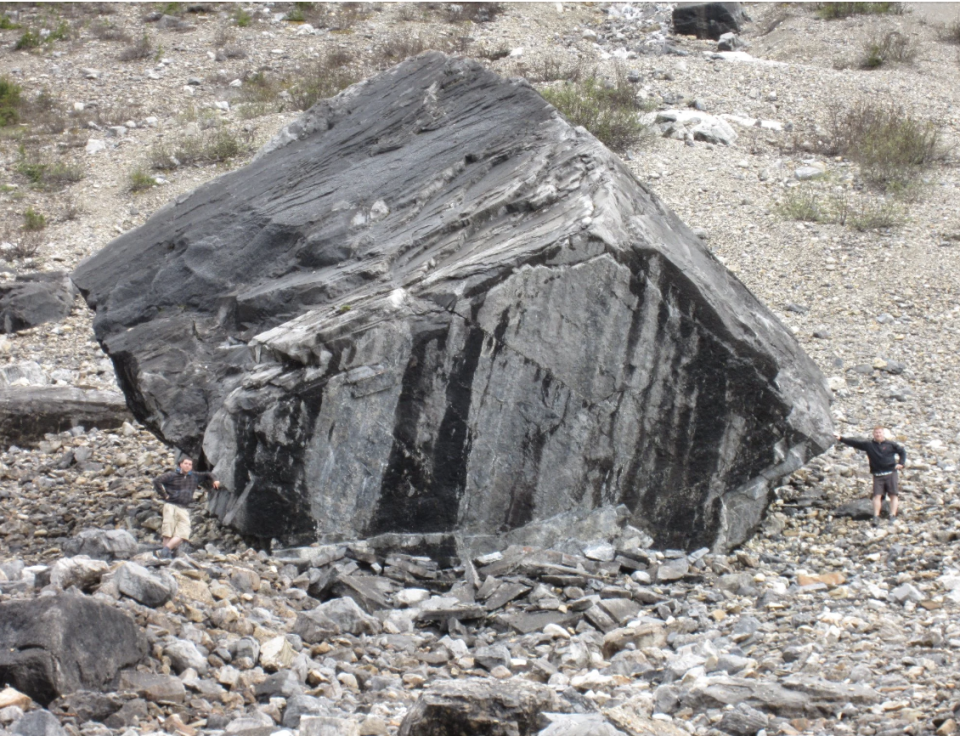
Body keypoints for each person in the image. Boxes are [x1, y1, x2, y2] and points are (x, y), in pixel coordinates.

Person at [834, 426, 906, 526]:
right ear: (873, 434)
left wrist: (901, 463)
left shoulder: (891, 444)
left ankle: (892, 515)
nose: (878, 434)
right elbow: (855, 443)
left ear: (883, 433)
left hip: (891, 473)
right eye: (876, 433)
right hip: (877, 475)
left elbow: (902, 452)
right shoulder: (869, 445)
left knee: (893, 495)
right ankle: (876, 516)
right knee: (877, 496)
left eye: (880, 432)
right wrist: (841, 438)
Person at [153, 456, 220, 558]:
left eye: (190, 464)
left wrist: (215, 480)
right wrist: (164, 495)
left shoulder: (194, 476)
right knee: (168, 532)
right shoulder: (171, 475)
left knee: (184, 532)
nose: (188, 466)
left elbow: (208, 474)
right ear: (180, 464)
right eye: (186, 464)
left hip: (183, 507)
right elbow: (157, 481)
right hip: (170, 505)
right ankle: (165, 557)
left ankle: (165, 550)